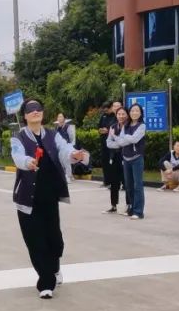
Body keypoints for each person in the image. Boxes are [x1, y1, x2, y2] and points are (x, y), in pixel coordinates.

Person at [11, 99, 87, 298]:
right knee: (35, 241)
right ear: (25, 115)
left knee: (54, 239)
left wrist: (74, 154)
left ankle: (54, 267)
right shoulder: (18, 138)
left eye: (38, 108)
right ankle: (45, 282)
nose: (35, 111)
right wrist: (28, 162)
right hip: (27, 197)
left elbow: (65, 150)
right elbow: (17, 156)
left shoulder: (53, 135)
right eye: (30, 109)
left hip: (49, 195)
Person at [107, 102, 146, 220]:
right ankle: (132, 209)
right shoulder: (126, 126)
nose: (134, 113)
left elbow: (134, 139)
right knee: (129, 186)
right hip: (126, 158)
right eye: (132, 111)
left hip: (137, 158)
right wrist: (122, 139)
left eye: (137, 111)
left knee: (138, 185)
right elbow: (121, 142)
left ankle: (139, 212)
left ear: (140, 113)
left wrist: (119, 137)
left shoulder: (141, 126)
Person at [103, 105, 130, 214]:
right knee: (114, 182)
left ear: (127, 115)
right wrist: (120, 143)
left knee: (127, 182)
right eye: (119, 114)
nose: (121, 116)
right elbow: (108, 143)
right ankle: (113, 205)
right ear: (116, 115)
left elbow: (127, 142)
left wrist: (118, 141)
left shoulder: (129, 127)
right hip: (114, 157)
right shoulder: (113, 127)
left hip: (126, 157)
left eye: (123, 114)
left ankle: (129, 205)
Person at [97, 101, 120, 187]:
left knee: (112, 162)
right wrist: (100, 130)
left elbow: (115, 128)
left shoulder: (115, 116)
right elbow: (99, 127)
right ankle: (106, 181)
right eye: (104, 110)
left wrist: (107, 130)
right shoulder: (103, 116)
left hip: (113, 143)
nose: (106, 111)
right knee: (104, 161)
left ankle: (113, 181)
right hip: (104, 142)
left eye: (107, 110)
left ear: (111, 108)